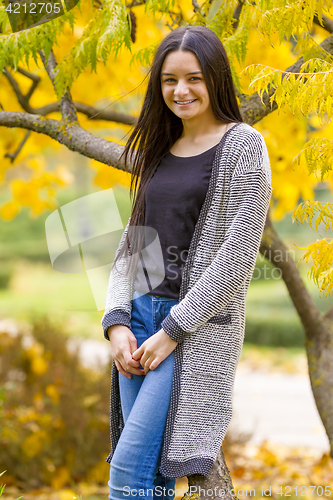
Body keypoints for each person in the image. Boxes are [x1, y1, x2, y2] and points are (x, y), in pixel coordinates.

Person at [101, 25, 273, 500]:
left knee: (129, 473)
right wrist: (116, 322)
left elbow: (235, 263)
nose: (181, 91)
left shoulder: (244, 146)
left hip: (189, 332)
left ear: (216, 78)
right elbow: (130, 249)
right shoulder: (157, 150)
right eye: (169, 80)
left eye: (194, 78)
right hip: (138, 323)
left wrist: (172, 330)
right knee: (149, 479)